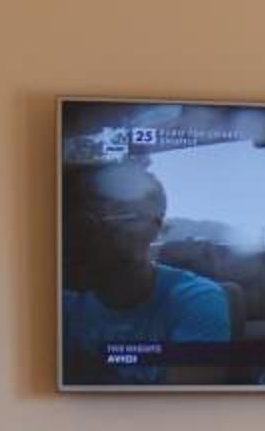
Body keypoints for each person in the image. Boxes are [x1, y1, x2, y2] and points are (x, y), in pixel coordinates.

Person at [60, 158, 236, 381]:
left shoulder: (195, 300)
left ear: (150, 230)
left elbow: (189, 400)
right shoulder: (63, 300)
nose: (64, 242)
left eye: (83, 227)